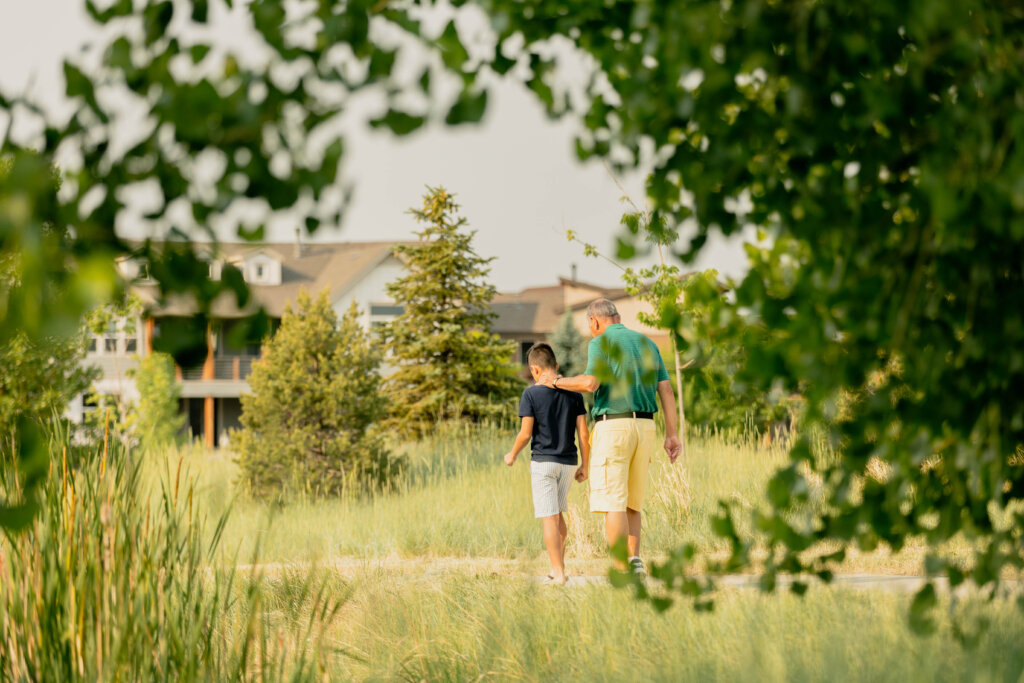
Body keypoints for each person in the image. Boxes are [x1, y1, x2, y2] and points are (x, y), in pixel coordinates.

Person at [541, 299, 681, 577]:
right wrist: (673, 435)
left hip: (614, 427)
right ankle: (634, 562)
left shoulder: (600, 342)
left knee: (612, 501)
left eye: (589, 325)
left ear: (594, 321)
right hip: (646, 428)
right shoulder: (647, 343)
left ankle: (621, 570)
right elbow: (665, 390)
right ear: (617, 316)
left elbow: (591, 382)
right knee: (633, 501)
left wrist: (554, 381)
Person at [503, 342, 590, 586]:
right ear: (557, 366)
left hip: (543, 462)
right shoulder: (574, 394)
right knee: (558, 516)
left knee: (549, 518)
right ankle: (557, 569)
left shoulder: (530, 394)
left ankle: (558, 573)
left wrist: (512, 454)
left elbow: (525, 434)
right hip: (568, 463)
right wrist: (586, 465)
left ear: (534, 370)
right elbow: (583, 434)